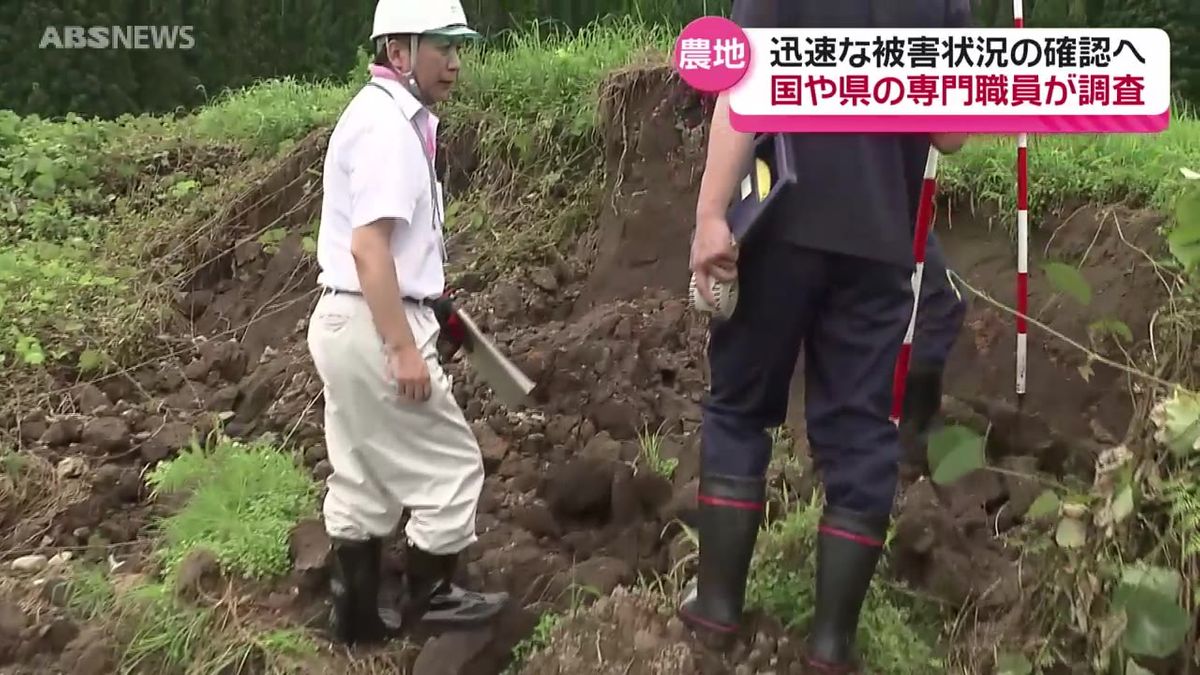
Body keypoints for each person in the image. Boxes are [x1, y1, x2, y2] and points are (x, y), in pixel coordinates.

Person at [678, 1, 973, 672]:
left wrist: (709, 215)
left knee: (740, 405)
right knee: (860, 430)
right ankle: (832, 644)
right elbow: (953, 133)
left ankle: (718, 606)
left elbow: (741, 87)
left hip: (780, 222)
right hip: (878, 241)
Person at [306, 0, 508, 646]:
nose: (454, 63)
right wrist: (403, 346)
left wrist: (433, 308)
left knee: (362, 472)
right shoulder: (390, 128)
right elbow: (370, 249)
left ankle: (357, 615)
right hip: (373, 323)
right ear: (398, 51)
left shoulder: (383, 118)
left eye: (459, 48)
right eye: (440, 47)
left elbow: (388, 250)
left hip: (344, 318)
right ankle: (433, 594)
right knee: (451, 465)